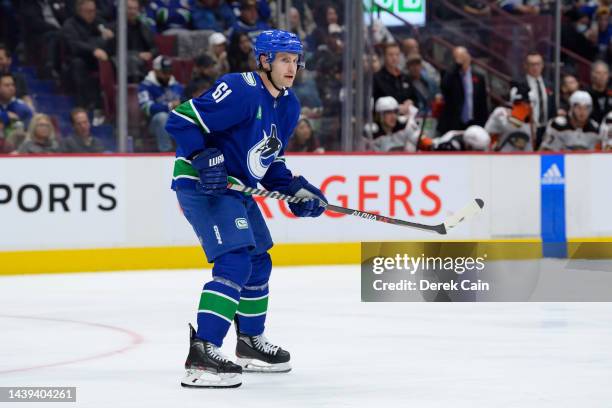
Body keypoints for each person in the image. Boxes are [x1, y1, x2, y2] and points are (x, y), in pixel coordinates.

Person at [164, 30, 328, 388]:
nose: (292, 66)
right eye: (283, 59)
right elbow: (181, 120)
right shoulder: (240, 89)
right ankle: (204, 352)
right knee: (235, 259)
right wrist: (202, 156)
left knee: (258, 260)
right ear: (264, 61)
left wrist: (298, 190)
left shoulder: (289, 105)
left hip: (236, 189)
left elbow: (270, 164)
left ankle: (250, 343)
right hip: (202, 185)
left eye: (295, 59)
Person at [61, 0, 113, 111]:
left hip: (96, 60)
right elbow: (74, 45)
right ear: (80, 11)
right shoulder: (70, 25)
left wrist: (107, 34)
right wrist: (93, 49)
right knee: (78, 64)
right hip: (76, 61)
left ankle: (109, 105)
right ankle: (83, 104)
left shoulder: (97, 22)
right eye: (89, 11)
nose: (92, 14)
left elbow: (108, 33)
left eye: (94, 11)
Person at [437, 46, 489, 134]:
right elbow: (445, 86)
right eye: (459, 57)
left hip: (473, 124)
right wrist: (457, 65)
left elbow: (482, 103)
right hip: (453, 124)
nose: (463, 59)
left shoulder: (479, 77)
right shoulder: (449, 74)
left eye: (464, 56)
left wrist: (484, 125)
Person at [138, 55, 184, 152]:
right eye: (164, 72)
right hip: (153, 124)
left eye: (169, 71)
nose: (167, 75)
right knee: (162, 117)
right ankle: (166, 151)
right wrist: (169, 106)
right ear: (156, 70)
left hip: (175, 121)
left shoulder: (176, 85)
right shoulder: (145, 86)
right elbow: (146, 108)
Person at [109, 0, 156, 83]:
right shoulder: (114, 28)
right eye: (130, 8)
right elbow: (113, 51)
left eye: (135, 9)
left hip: (142, 63)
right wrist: (137, 54)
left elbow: (155, 48)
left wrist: (150, 54)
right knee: (132, 59)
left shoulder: (143, 28)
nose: (133, 11)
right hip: (123, 63)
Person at [518, 51, 555, 147]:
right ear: (525, 66)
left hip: (547, 128)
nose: (535, 67)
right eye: (532, 64)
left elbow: (552, 107)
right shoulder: (520, 85)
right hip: (528, 128)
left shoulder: (549, 84)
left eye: (538, 64)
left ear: (542, 65)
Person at [485, 84, 535, 151]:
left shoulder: (530, 120)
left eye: (528, 103)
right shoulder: (501, 112)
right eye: (521, 103)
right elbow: (512, 124)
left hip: (524, 157)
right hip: (500, 155)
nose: (526, 106)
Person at [373, 43, 418, 115]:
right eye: (391, 55)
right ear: (384, 56)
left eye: (397, 55)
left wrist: (411, 102)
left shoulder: (405, 77)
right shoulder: (376, 78)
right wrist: (396, 108)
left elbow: (415, 98)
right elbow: (375, 104)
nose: (394, 58)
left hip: (406, 119)